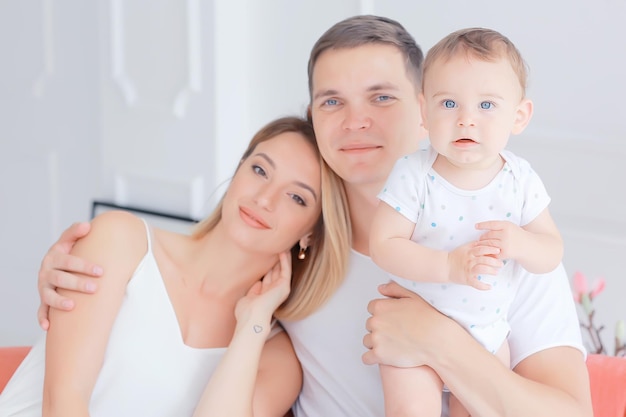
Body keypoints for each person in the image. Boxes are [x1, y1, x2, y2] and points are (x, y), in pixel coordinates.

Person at [34, 15, 593, 417]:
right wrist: (76, 268)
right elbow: (174, 288)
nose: (355, 122)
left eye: (381, 98)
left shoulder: (505, 236)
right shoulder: (299, 251)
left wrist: (440, 345)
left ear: (424, 111)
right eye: (332, 101)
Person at [0, 116, 351, 417]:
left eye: (296, 197)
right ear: (238, 170)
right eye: (260, 170)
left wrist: (252, 326)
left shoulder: (275, 356)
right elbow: (62, 403)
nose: (264, 198)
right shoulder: (121, 241)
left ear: (311, 232)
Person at [369, 27, 564, 417]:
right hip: (410, 333)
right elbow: (384, 243)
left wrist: (522, 243)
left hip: (488, 336)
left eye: (487, 106)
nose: (466, 121)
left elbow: (551, 251)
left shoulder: (520, 180)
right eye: (448, 104)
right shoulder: (414, 173)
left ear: (519, 116)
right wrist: (447, 266)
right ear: (424, 112)